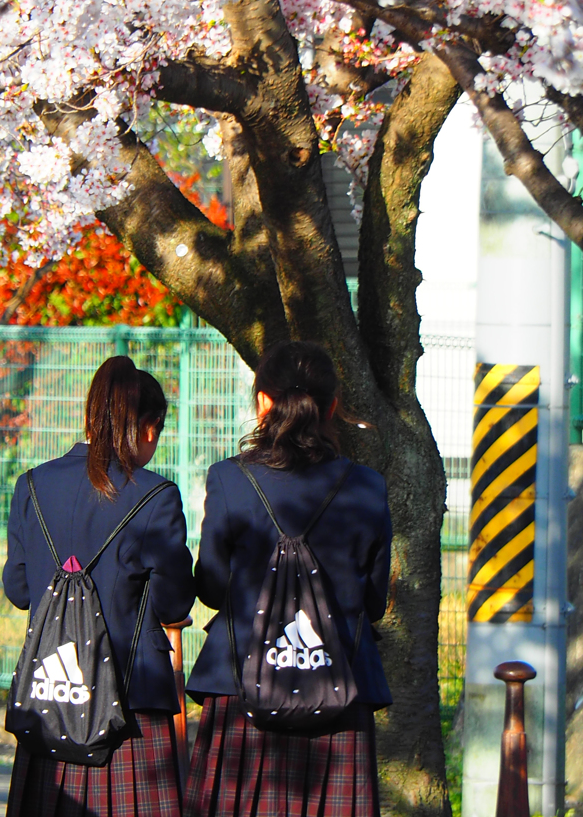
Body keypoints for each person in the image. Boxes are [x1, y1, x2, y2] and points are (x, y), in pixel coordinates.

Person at [184, 340, 392, 817]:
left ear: (262, 401)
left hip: (241, 681)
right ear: (332, 407)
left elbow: (213, 587)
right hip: (339, 683)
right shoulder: (367, 486)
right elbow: (374, 600)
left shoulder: (229, 479)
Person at [3, 355, 196, 817]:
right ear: (149, 428)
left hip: (53, 692)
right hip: (132, 701)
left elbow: (20, 590)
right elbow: (175, 599)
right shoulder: (156, 495)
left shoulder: (31, 484)